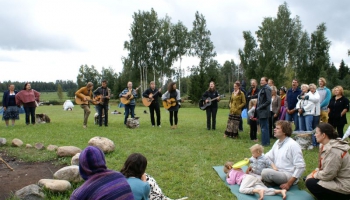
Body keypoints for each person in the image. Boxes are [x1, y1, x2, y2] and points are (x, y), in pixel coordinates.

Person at [305, 123, 350, 200]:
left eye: (316, 133)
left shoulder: (334, 151)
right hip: (335, 178)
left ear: (323, 135)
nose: (315, 135)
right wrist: (313, 173)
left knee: (310, 183)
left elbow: (328, 175)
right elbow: (323, 168)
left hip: (344, 186)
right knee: (307, 178)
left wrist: (313, 175)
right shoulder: (324, 145)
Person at [261, 120, 306, 190]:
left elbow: (301, 166)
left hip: (287, 174)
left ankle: (270, 181)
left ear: (284, 131)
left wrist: (289, 184)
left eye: (277, 128)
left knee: (265, 172)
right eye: (275, 128)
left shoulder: (293, 145)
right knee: (259, 164)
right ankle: (271, 181)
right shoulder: (277, 142)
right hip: (277, 171)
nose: (274, 129)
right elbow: (268, 156)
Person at [256, 77, 271, 146]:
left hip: (264, 111)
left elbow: (268, 101)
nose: (261, 81)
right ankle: (264, 142)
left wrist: (260, 107)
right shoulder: (262, 88)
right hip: (261, 111)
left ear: (266, 81)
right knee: (263, 127)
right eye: (260, 80)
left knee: (264, 128)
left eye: (262, 80)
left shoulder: (267, 88)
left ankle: (265, 143)